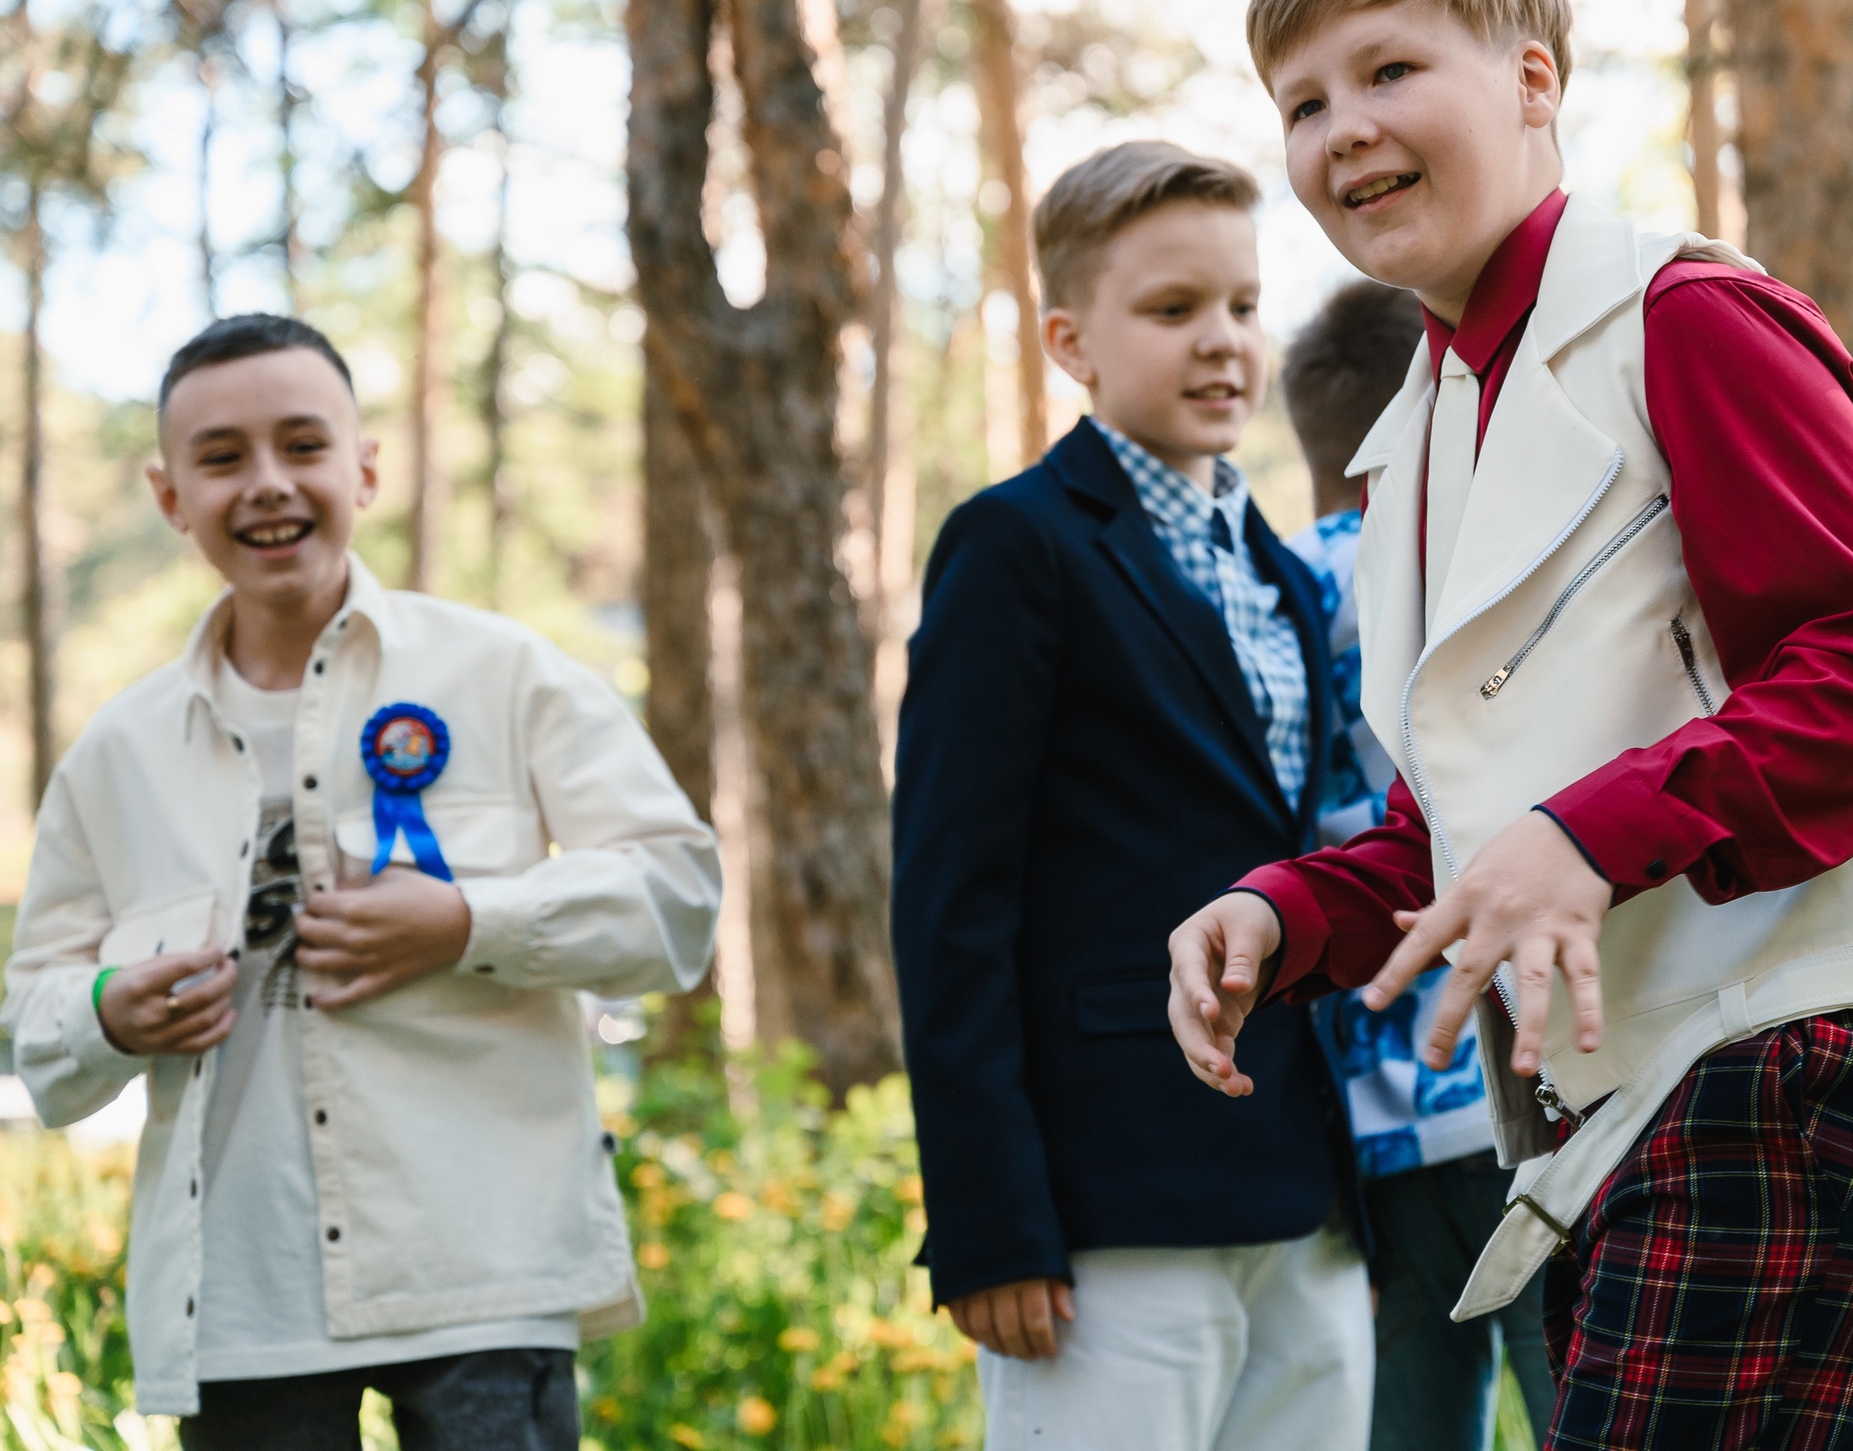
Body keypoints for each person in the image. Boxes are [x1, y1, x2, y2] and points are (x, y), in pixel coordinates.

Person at [1167, 0, 1853, 1449]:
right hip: (1635, 1089)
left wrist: (1589, 834)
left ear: (1534, 82)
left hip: (1797, 1034)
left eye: (1391, 70)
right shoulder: (1409, 440)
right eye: (1303, 101)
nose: (1345, 129)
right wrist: (1288, 912)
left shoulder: (1683, 318)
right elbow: (1473, 831)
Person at [0, 316, 720, 1446]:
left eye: (303, 445)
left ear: (367, 467)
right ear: (168, 496)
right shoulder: (114, 755)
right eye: (223, 457)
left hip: (486, 1273)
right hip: (242, 1299)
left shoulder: (507, 673)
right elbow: (35, 1002)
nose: (268, 485)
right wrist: (108, 1012)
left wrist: (471, 921)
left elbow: (676, 898)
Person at [893, 140, 1370, 1451]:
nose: (1222, 343)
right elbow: (950, 899)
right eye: (1172, 311)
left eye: (1242, 306)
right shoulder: (1018, 544)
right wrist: (990, 1218)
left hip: (1305, 1179)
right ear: (1071, 340)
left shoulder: (1281, 566)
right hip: (1108, 1198)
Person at [1281, 276, 1557, 1450]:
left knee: (1413, 1421)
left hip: (1374, 1114)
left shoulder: (1280, 586)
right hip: (1520, 1081)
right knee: (1576, 1405)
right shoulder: (1477, 566)